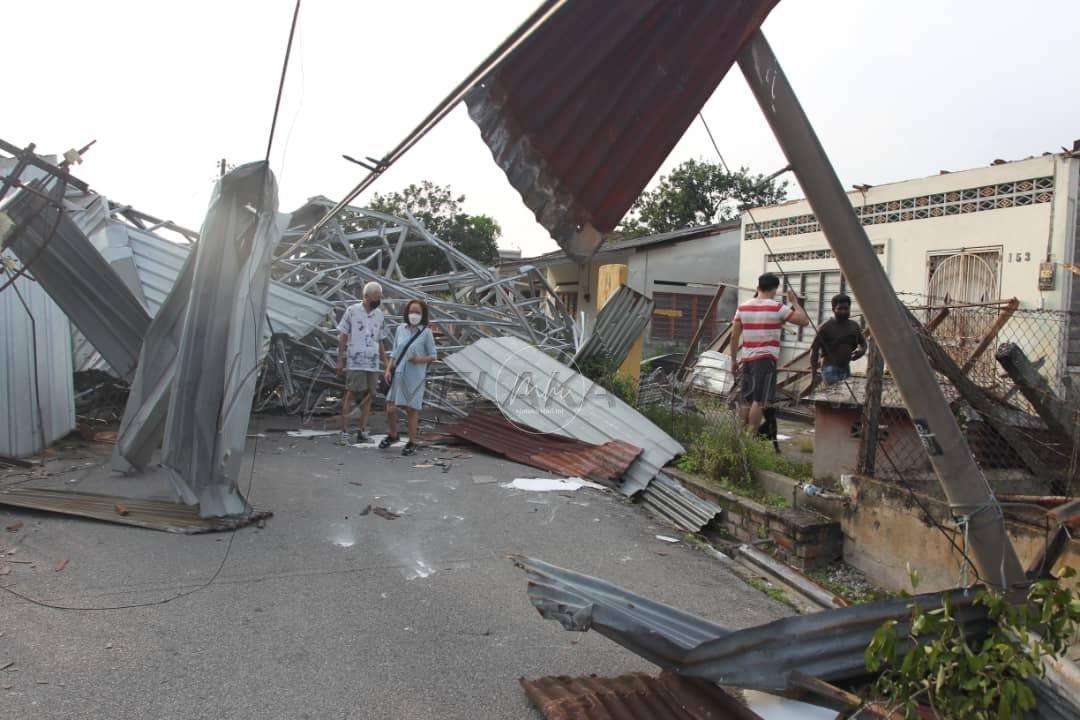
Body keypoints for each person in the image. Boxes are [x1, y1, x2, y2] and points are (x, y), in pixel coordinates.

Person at [730, 273, 810, 432]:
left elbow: (734, 336)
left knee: (747, 399)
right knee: (759, 401)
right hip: (766, 359)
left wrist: (733, 360)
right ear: (775, 289)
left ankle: (739, 436)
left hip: (747, 359)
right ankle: (751, 438)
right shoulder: (778, 308)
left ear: (758, 287)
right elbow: (804, 321)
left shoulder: (742, 307)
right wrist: (795, 303)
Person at [380, 299, 437, 456]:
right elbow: (395, 351)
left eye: (418, 312)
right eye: (412, 311)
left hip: (415, 375)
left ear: (423, 314)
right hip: (398, 372)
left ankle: (412, 441)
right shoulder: (400, 329)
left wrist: (419, 360)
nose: (414, 315)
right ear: (406, 312)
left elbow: (433, 355)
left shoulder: (426, 333)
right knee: (390, 407)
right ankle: (393, 434)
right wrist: (388, 368)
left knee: (412, 409)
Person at [335, 281, 388, 445]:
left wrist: (385, 362)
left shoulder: (379, 314)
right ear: (365, 297)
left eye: (379, 296)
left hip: (372, 362)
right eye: (375, 296)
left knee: (369, 396)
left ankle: (362, 431)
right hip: (355, 361)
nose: (378, 299)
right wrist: (340, 359)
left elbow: (379, 340)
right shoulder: (352, 311)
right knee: (350, 394)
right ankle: (344, 431)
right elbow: (343, 336)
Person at [810, 293, 867, 386]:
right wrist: (814, 374)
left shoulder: (854, 326)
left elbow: (863, 343)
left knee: (843, 397)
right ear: (833, 309)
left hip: (846, 368)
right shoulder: (825, 327)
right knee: (835, 396)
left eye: (846, 309)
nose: (844, 312)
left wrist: (861, 351)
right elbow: (814, 350)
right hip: (830, 369)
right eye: (840, 309)